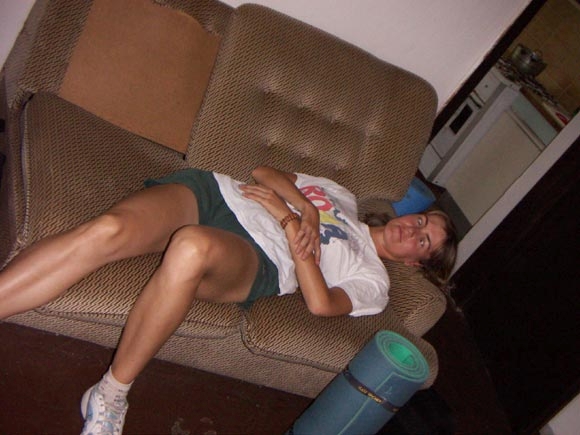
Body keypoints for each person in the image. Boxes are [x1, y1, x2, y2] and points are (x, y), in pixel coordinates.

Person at [0, 166, 457, 434]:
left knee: (192, 247)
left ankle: (110, 394)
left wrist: (288, 223)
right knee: (107, 230)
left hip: (260, 256)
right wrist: (308, 209)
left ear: (416, 263)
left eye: (423, 241)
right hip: (219, 195)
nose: (413, 230)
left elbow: (320, 303)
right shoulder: (344, 196)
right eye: (422, 222)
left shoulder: (373, 281)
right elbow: (264, 174)